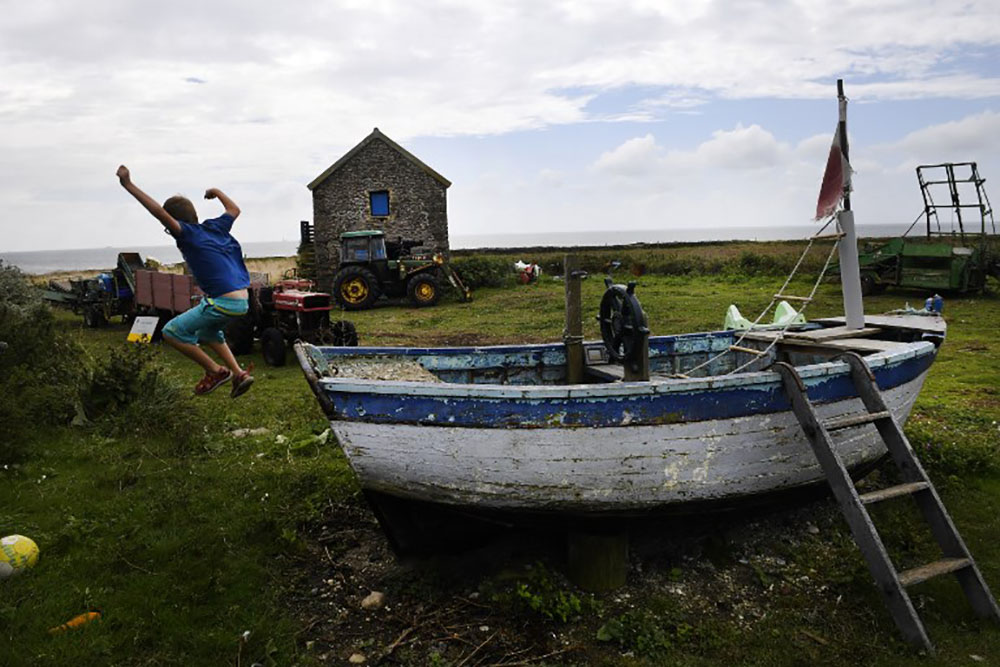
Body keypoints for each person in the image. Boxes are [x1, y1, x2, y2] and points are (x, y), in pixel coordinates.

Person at [116, 165, 254, 397]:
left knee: (171, 331)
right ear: (195, 216)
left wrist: (128, 184)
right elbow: (234, 209)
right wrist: (216, 191)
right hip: (243, 300)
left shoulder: (186, 234)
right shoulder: (216, 227)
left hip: (223, 301)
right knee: (209, 333)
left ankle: (215, 371)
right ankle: (239, 373)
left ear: (171, 224)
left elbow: (157, 212)